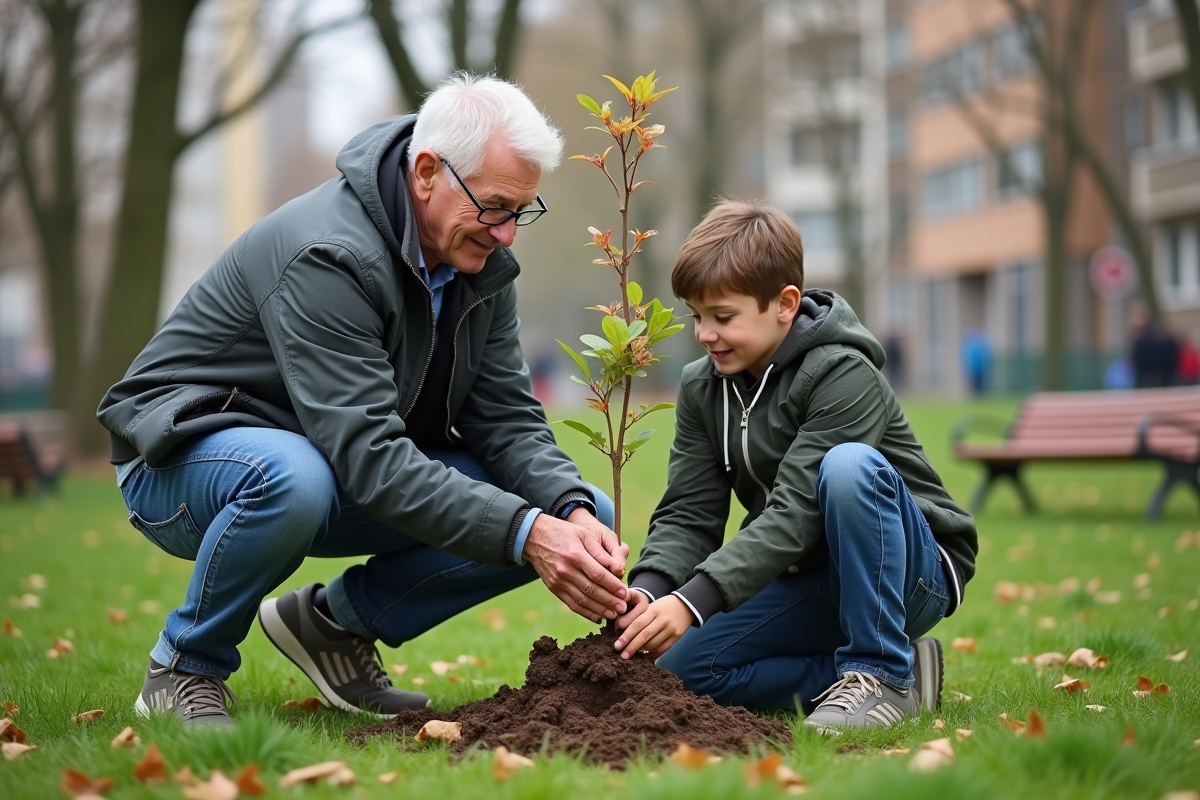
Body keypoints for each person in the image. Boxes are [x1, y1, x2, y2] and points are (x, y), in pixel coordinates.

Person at [97, 74, 630, 727]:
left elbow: (508, 420)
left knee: (578, 512)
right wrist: (526, 532)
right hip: (182, 462)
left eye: (522, 211)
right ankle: (183, 669)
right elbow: (372, 458)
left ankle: (332, 625)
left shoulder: (479, 262)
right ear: (428, 172)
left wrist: (567, 513)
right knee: (293, 478)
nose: (508, 233)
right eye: (495, 206)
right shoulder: (328, 252)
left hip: (329, 465)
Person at [612, 201, 977, 730]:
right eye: (696, 316)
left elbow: (797, 509)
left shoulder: (844, 373)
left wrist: (693, 602)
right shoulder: (701, 387)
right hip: (805, 574)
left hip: (909, 576)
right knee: (681, 669)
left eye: (723, 317)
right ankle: (902, 675)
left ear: (784, 304)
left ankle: (881, 675)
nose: (704, 334)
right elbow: (690, 512)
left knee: (848, 467)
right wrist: (650, 593)